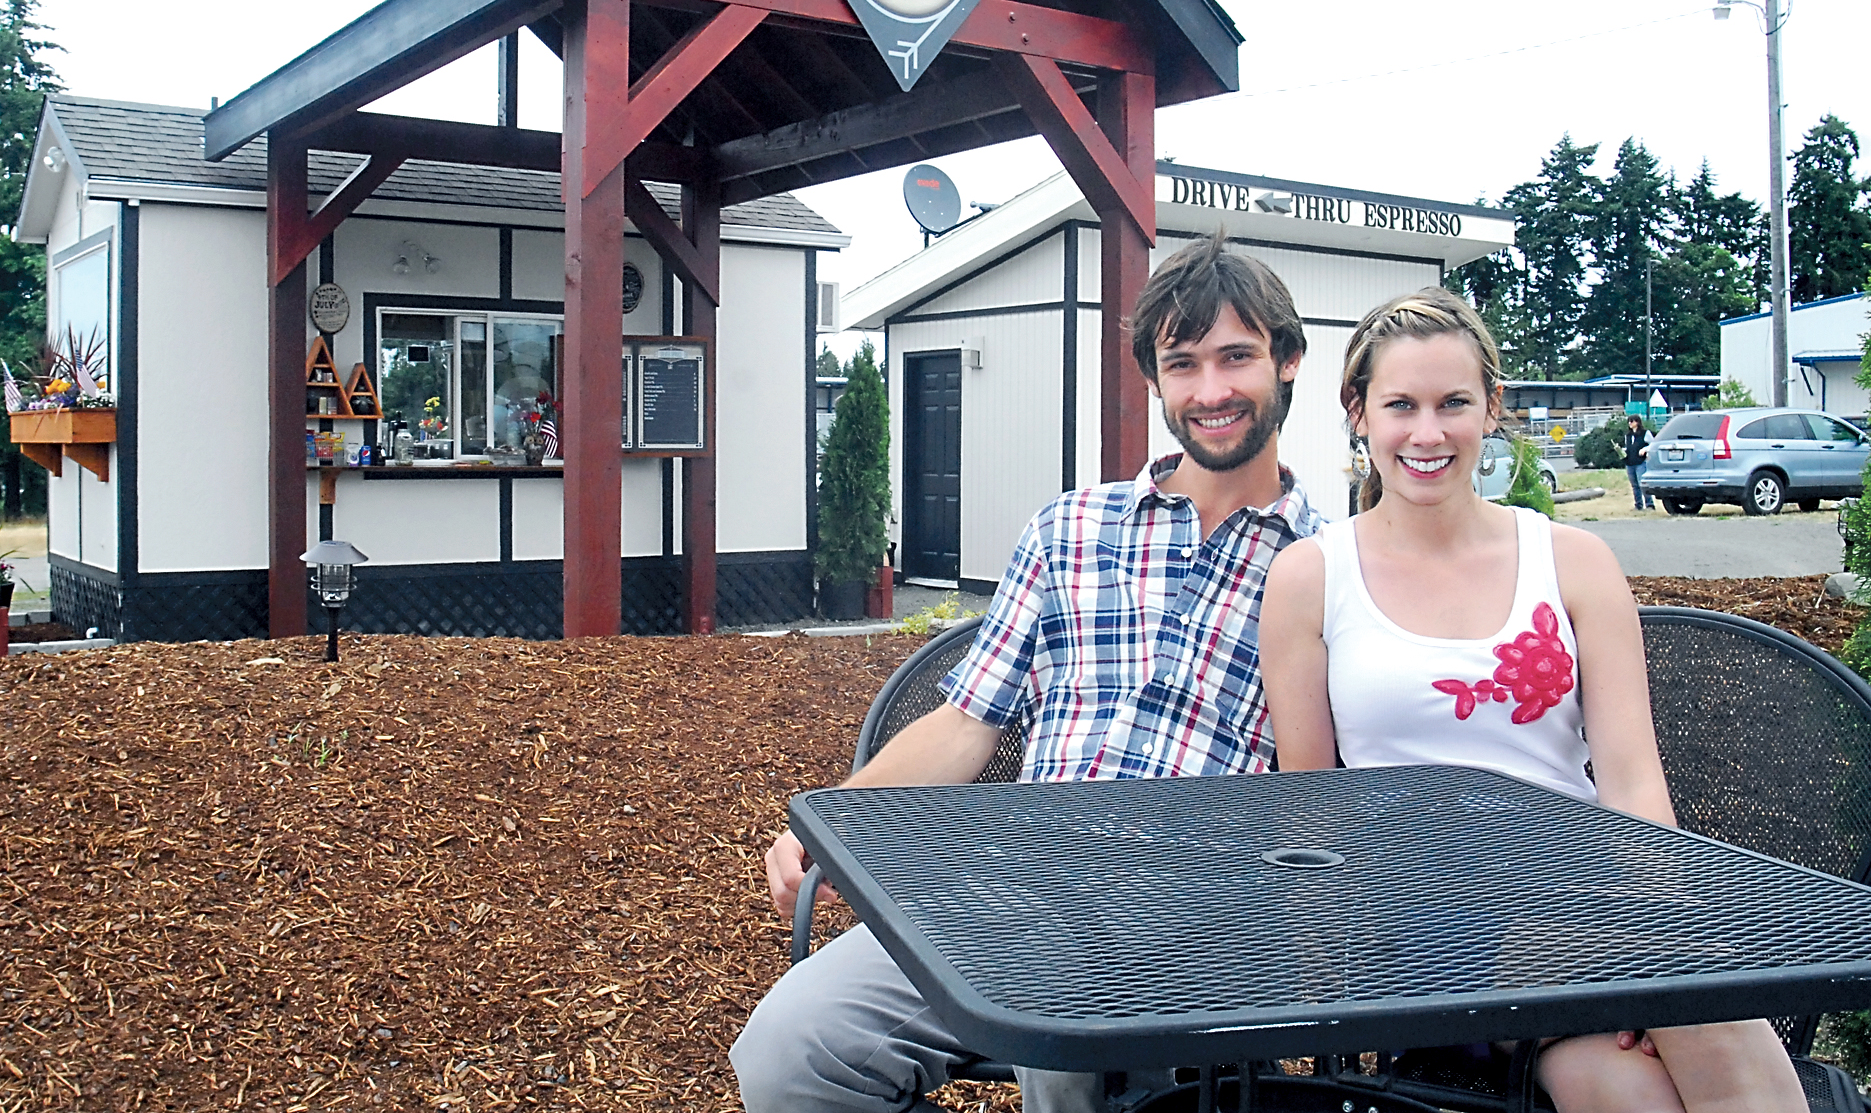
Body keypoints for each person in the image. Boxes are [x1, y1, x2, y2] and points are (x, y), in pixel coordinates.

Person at [734, 232, 1325, 1113]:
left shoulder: (1331, 564)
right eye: (1182, 363)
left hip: (1202, 913)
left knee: (1066, 1020)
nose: (1210, 391)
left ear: (1287, 362)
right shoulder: (1071, 528)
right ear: (1153, 381)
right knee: (792, 1052)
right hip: (1010, 888)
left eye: (1236, 357)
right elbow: (966, 723)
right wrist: (833, 823)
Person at [1257, 288, 1807, 1113]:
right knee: (1710, 1021)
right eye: (1400, 405)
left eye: (1453, 404)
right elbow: (1309, 807)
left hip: (1585, 903)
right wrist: (1323, 964)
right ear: (1357, 412)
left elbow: (1629, 784)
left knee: (1630, 1087)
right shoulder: (1311, 576)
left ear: (1492, 408)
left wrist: (1655, 930)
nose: (1427, 433)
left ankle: (1642, 987)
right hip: (1420, 921)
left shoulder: (1574, 561)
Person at [1624, 413, 1652, 511]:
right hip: (1630, 463)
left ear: (1637, 422)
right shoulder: (1628, 435)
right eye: (1629, 421)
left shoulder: (1645, 433)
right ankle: (1638, 505)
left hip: (1641, 462)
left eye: (1632, 421)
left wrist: (1645, 449)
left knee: (1642, 484)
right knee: (1634, 485)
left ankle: (1649, 504)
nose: (1630, 423)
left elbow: (1653, 444)